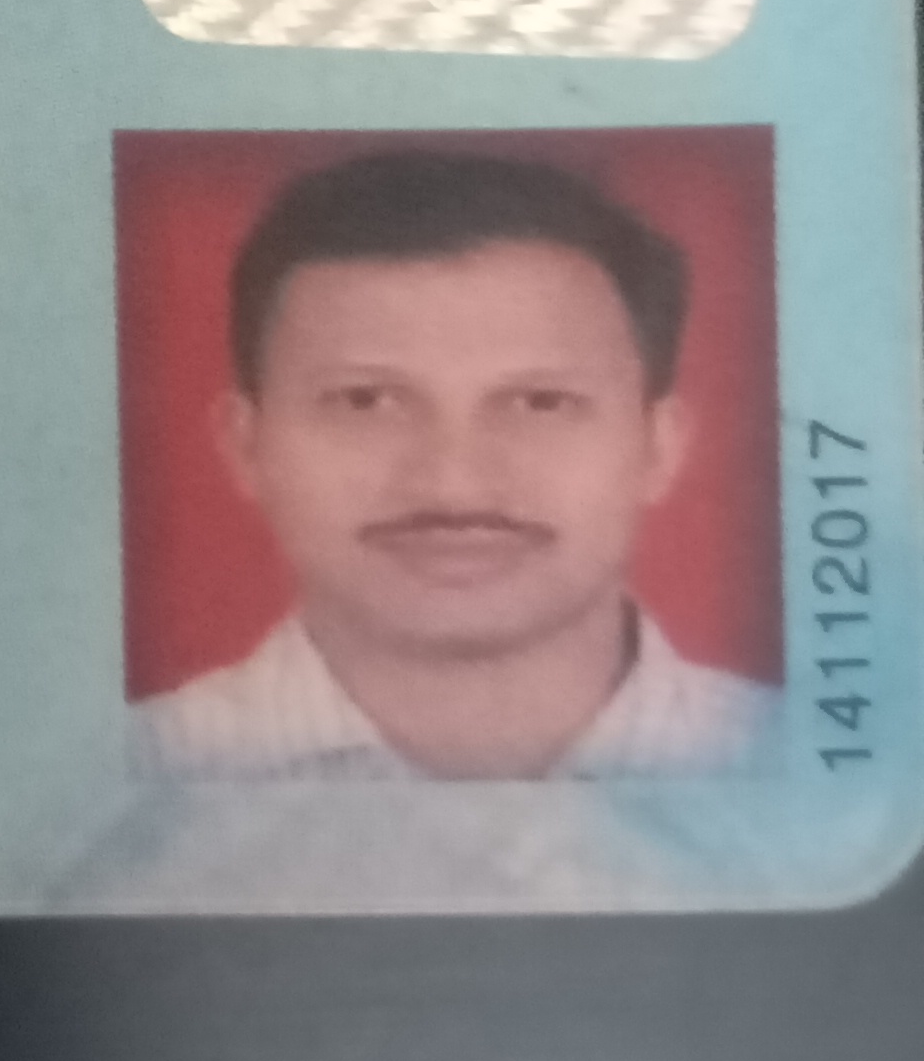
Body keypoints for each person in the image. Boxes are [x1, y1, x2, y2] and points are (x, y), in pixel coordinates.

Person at [133, 148, 776, 782]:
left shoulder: (805, 764)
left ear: (658, 448)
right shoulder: (115, 783)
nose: (453, 483)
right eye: (366, 401)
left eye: (540, 402)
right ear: (247, 447)